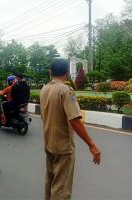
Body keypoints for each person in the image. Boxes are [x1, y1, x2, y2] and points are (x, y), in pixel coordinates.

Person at [40, 58, 101, 200]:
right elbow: (75, 121)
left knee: (50, 181)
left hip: (49, 143)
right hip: (63, 147)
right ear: (67, 72)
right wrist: (92, 145)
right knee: (61, 188)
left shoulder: (44, 89)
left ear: (50, 71)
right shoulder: (66, 91)